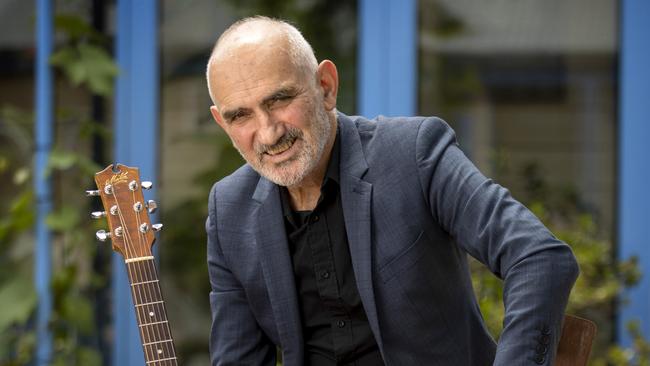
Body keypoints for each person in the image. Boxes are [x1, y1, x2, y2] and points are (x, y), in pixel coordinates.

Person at [204, 16, 579, 366]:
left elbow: (539, 257)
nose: (268, 133)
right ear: (222, 122)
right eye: (241, 115)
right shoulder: (229, 210)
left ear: (326, 87)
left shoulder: (413, 154)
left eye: (279, 100)